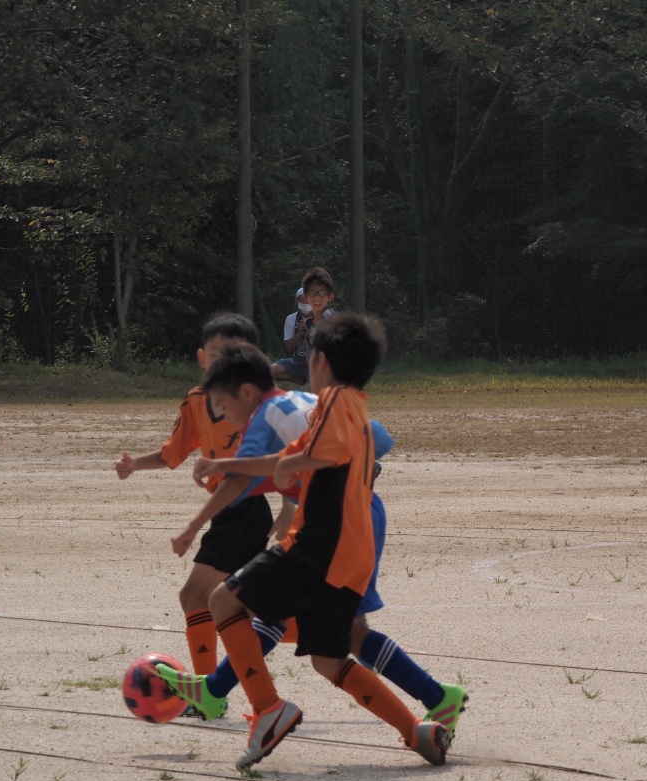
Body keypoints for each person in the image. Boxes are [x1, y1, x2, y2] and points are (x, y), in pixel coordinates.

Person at [160, 342, 467, 740]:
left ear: (245, 393)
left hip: (338, 524)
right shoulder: (305, 400)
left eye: (222, 406)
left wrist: (192, 526)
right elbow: (379, 439)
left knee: (261, 606)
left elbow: (238, 482)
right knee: (340, 629)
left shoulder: (263, 419)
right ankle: (437, 697)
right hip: (357, 512)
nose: (223, 417)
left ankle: (224, 694)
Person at [112, 312, 267, 681]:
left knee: (196, 598)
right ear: (201, 358)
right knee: (242, 609)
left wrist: (192, 527)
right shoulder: (196, 402)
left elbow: (242, 477)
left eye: (232, 355)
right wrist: (134, 464)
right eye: (215, 354)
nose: (222, 362)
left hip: (244, 509)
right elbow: (172, 454)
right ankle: (324, 632)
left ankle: (207, 693)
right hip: (230, 510)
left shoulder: (252, 404)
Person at [270, 267, 336, 385]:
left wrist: (311, 334)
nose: (305, 303)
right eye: (301, 300)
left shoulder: (325, 315)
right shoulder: (291, 319)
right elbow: (289, 347)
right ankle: (301, 381)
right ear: (296, 301)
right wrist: (299, 333)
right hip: (299, 362)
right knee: (272, 370)